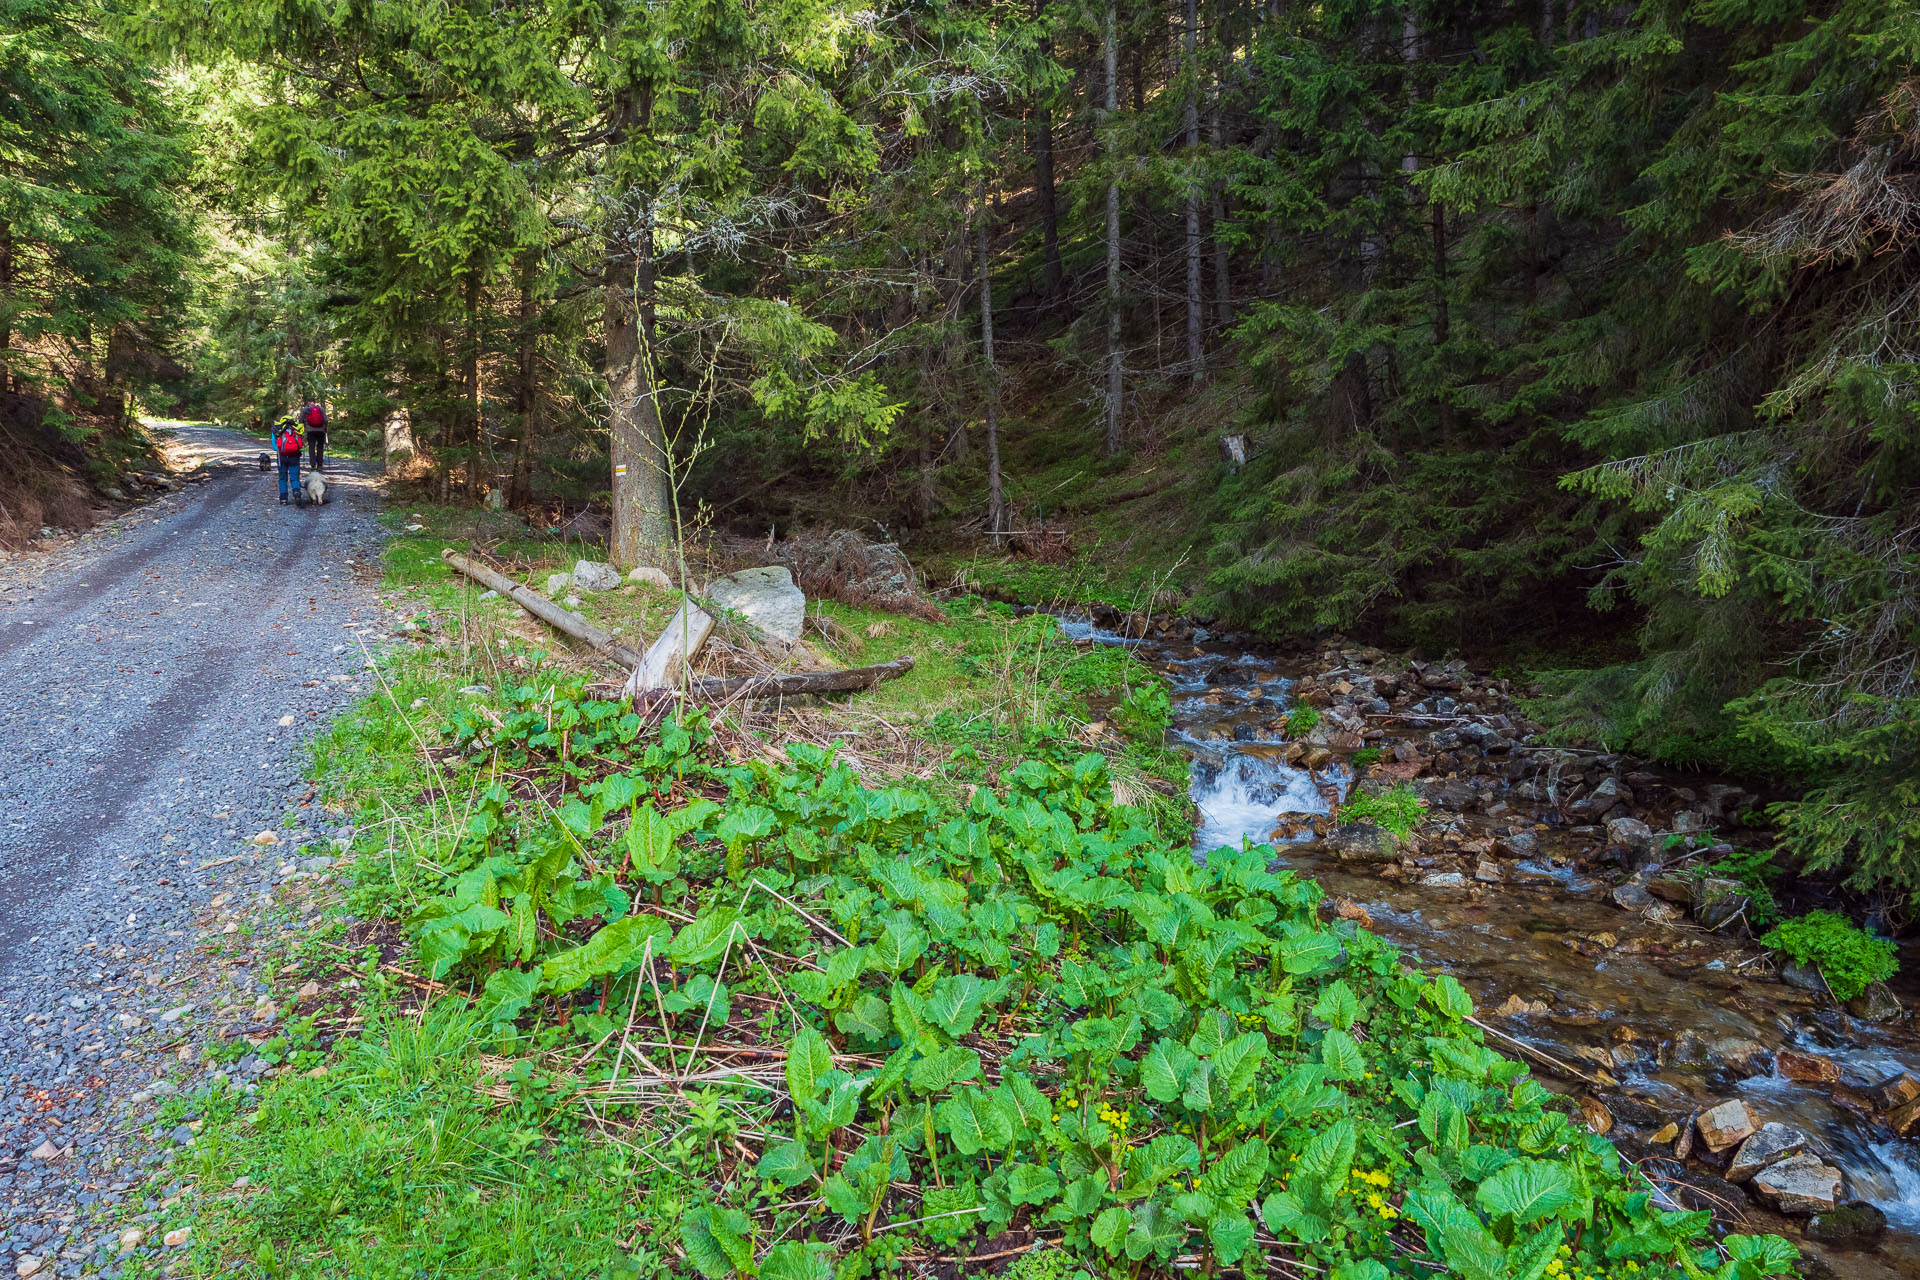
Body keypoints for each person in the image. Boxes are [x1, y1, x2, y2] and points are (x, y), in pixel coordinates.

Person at [273, 415, 305, 505]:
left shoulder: (277, 428)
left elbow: (274, 445)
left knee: (282, 478)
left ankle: (283, 499)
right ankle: (296, 491)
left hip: (282, 457)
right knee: (294, 477)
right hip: (294, 456)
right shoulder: (297, 429)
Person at [301, 401, 328, 472]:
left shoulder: (305, 409)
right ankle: (320, 465)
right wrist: (325, 428)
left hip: (310, 431)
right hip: (321, 431)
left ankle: (313, 465)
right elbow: (326, 419)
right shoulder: (321, 408)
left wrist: (303, 427)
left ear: (308, 402)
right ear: (314, 402)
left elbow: (300, 420)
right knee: (320, 447)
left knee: (311, 447)